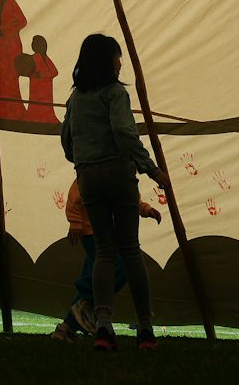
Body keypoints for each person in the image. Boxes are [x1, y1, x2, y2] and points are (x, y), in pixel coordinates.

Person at [59, 34, 169, 351]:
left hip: (89, 175)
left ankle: (104, 327)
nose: (121, 62)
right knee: (130, 250)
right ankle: (145, 330)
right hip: (118, 173)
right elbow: (124, 131)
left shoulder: (76, 98)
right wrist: (150, 168)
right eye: (117, 56)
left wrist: (83, 157)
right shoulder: (115, 93)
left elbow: (66, 140)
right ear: (107, 60)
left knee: (105, 252)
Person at [49, 176, 161, 342]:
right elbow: (75, 195)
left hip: (112, 232)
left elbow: (129, 199)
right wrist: (75, 221)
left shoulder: (124, 172)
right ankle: (87, 303)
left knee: (94, 274)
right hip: (91, 231)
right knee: (119, 267)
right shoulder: (93, 166)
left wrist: (145, 209)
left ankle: (67, 327)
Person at [24, 34, 59, 124]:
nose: (42, 47)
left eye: (43, 45)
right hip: (37, 88)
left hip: (46, 89)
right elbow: (30, 72)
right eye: (39, 45)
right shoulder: (34, 58)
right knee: (36, 106)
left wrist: (42, 75)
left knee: (46, 107)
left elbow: (55, 72)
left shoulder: (46, 59)